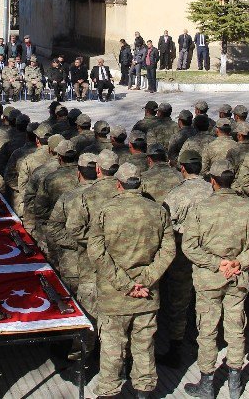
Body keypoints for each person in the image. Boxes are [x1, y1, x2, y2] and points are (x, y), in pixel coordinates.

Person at [183, 159, 249, 399]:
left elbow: (189, 246)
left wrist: (215, 263)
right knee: (235, 329)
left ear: (212, 181)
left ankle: (207, 384)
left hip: (209, 279)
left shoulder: (200, 209)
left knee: (207, 330)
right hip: (237, 277)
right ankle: (234, 382)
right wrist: (239, 262)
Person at [88, 162, 174, 398]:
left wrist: (126, 285)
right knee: (144, 347)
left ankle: (109, 392)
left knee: (112, 349)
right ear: (140, 184)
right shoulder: (158, 211)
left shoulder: (106, 212)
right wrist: (145, 280)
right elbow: (168, 252)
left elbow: (96, 252)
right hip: (147, 295)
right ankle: (144, 392)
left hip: (114, 296)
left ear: (118, 185)